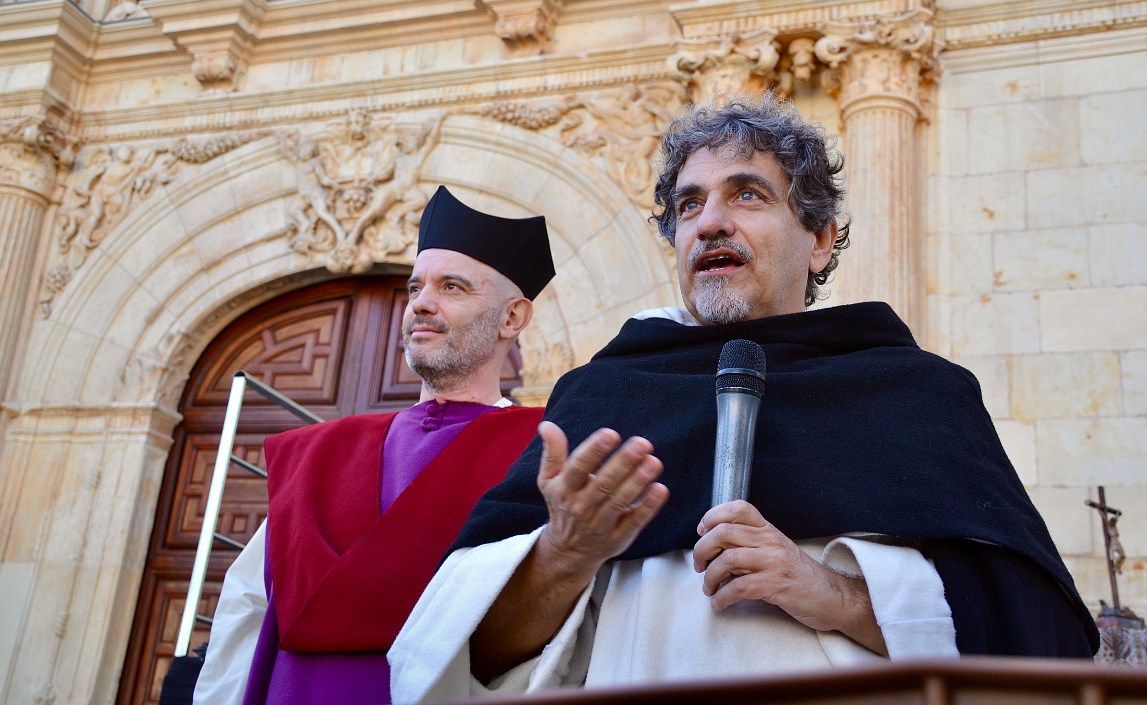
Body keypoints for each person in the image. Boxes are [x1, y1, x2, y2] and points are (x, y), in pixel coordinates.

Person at [387, 97, 1099, 703]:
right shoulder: (602, 395)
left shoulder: (916, 393)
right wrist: (566, 554)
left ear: (819, 240)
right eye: (689, 205)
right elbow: (466, 661)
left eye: (747, 194)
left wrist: (836, 594)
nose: (710, 222)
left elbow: (1035, 639)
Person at [193, 186, 556, 705]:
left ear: (513, 318)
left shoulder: (543, 448)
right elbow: (246, 612)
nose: (421, 305)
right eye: (415, 288)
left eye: (452, 287)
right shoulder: (318, 454)